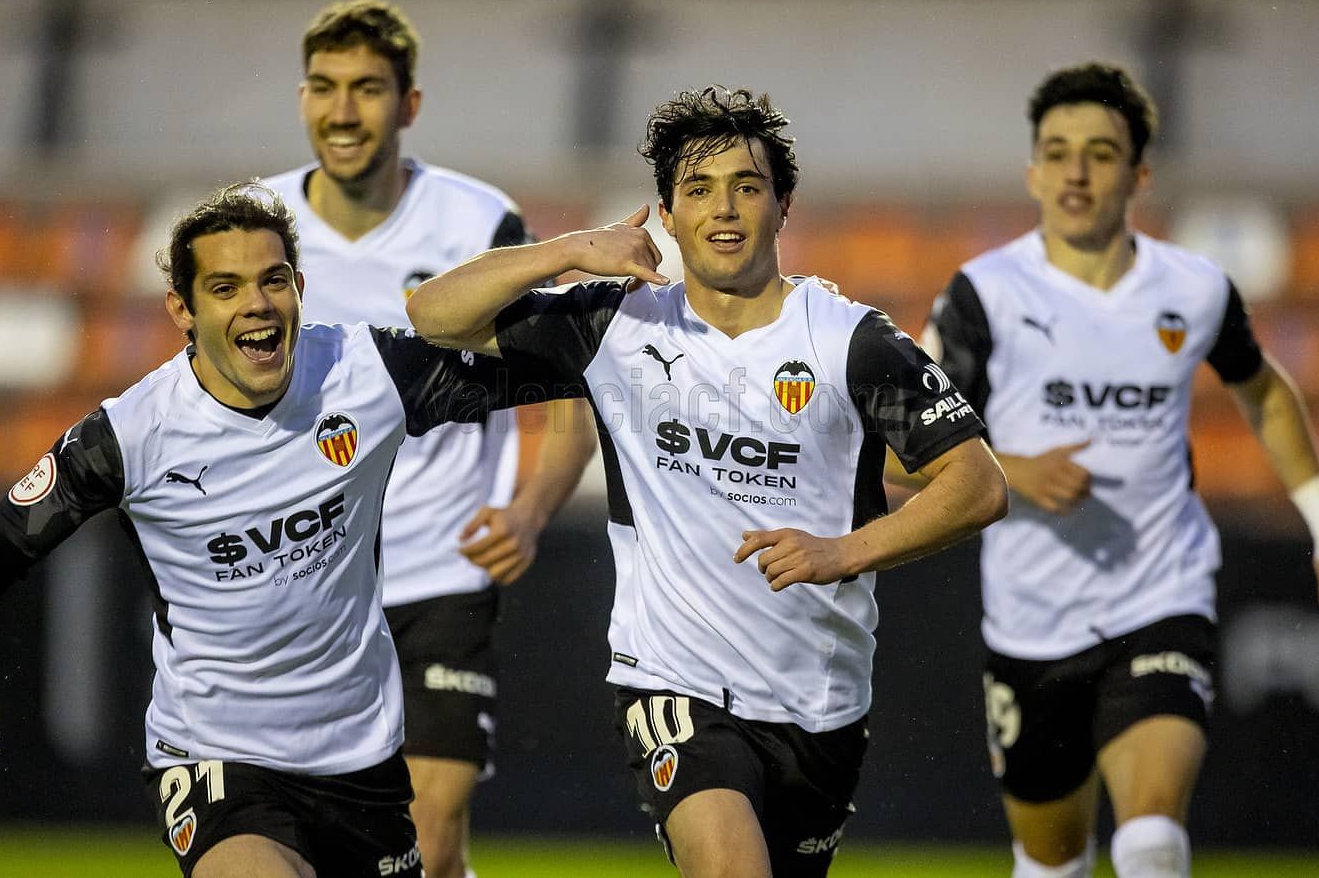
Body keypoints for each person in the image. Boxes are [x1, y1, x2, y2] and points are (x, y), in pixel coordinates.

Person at [406, 86, 1010, 878]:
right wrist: (564, 251)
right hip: (674, 683)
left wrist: (845, 552)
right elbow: (432, 315)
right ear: (666, 211)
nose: (723, 209)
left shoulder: (850, 342)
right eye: (697, 189)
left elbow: (978, 483)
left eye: (746, 187)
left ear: (782, 205)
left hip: (821, 703)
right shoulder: (618, 325)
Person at [0, 182, 542, 878]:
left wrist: (584, 260)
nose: (257, 303)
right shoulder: (128, 437)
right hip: (217, 760)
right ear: (182, 310)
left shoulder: (363, 374)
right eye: (225, 287)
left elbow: (541, 360)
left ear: (300, 287)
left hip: (362, 763)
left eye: (273, 280)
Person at [917, 62, 1319, 878]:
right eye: (1057, 151)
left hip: (1161, 595)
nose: (1075, 171)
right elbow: (902, 450)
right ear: (1031, 171)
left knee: (1152, 843)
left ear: (1138, 173)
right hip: (1031, 621)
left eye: (1099, 152)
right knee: (1052, 862)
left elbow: (1266, 394)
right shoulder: (982, 296)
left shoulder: (1194, 288)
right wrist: (1014, 469)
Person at [260, 0, 596, 878]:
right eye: (325, 88)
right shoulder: (257, 227)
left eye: (367, 88)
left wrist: (526, 510)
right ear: (302, 99)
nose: (342, 110)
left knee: (426, 836)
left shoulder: (477, 224)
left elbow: (565, 390)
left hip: (441, 571)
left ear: (409, 104)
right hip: (298, 579)